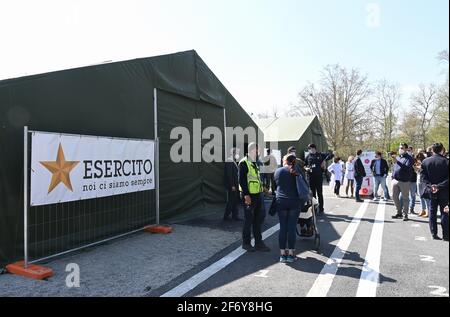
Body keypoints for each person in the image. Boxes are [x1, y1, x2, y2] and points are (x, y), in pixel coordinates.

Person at [239, 142, 271, 252]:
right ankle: (246, 243)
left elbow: (256, 179)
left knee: (257, 220)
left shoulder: (255, 162)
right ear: (252, 150)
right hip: (249, 196)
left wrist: (263, 189)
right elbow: (242, 181)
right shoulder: (244, 162)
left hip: (257, 195)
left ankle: (259, 243)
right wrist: (246, 195)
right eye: (257, 150)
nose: (258, 152)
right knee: (248, 220)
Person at [274, 154, 306, 263]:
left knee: (283, 228)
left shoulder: (278, 171)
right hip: (294, 202)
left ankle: (282, 254)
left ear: (285, 161)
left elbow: (276, 185)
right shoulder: (298, 172)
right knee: (291, 228)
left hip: (281, 202)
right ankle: (291, 254)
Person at [420, 143, 449, 241]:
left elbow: (423, 178)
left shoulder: (425, 161)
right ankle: (446, 234)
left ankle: (434, 233)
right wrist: (439, 186)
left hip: (431, 190)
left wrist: (431, 186)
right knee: (444, 212)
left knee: (432, 211)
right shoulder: (447, 161)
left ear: (432, 150)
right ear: (442, 150)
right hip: (444, 190)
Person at [305, 144, 334, 213]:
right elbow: (304, 165)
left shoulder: (320, 155)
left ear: (314, 148)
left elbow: (331, 155)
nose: (310, 150)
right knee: (313, 194)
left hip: (319, 177)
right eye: (309, 149)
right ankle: (314, 208)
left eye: (311, 148)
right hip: (311, 177)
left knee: (320, 193)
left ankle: (321, 208)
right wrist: (306, 168)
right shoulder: (308, 156)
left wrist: (324, 160)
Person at [391, 143, 414, 221]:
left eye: (402, 148)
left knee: (405, 198)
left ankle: (405, 214)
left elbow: (407, 168)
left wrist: (397, 162)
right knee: (394, 197)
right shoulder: (397, 157)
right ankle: (399, 212)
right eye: (400, 148)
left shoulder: (409, 158)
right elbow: (394, 167)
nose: (400, 149)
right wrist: (393, 175)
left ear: (406, 149)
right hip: (395, 180)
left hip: (404, 181)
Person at [224, 148, 241, 221]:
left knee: (235, 200)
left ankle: (235, 216)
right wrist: (232, 185)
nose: (238, 154)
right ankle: (226, 216)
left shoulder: (233, 161)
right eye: (237, 153)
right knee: (231, 200)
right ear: (233, 153)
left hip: (235, 185)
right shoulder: (229, 161)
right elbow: (229, 174)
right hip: (232, 185)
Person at [415, 152, 431, 218]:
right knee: (420, 196)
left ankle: (428, 211)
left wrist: (420, 168)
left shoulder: (425, 163)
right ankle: (423, 210)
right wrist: (416, 169)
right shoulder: (418, 163)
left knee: (426, 197)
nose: (418, 160)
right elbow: (417, 172)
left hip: (424, 182)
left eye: (419, 158)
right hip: (418, 181)